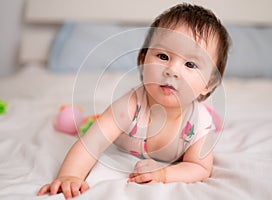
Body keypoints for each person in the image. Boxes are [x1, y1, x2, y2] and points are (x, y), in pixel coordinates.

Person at [38, 3, 230, 198]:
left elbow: (199, 167)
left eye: (190, 64)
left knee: (209, 129)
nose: (172, 70)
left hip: (195, 120)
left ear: (209, 83)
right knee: (91, 124)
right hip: (124, 130)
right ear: (143, 59)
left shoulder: (199, 124)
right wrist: (70, 175)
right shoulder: (131, 106)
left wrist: (163, 174)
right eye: (163, 56)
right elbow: (92, 143)